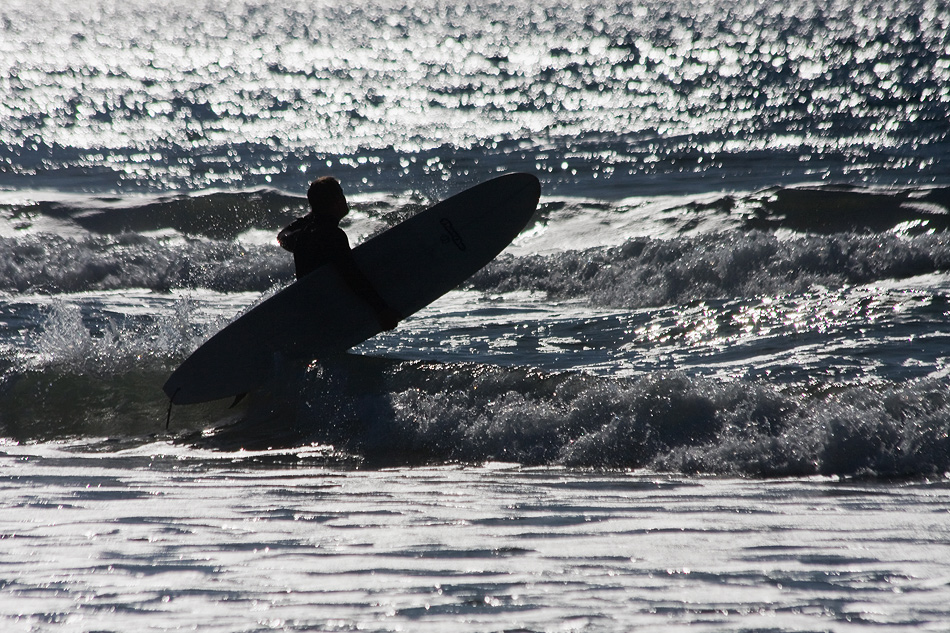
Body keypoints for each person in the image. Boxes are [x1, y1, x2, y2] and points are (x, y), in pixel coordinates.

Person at [278, 177, 400, 331]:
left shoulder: (304, 234)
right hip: (328, 312)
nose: (344, 200)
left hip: (311, 309)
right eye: (341, 195)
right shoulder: (332, 235)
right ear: (336, 201)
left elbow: (283, 236)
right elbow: (351, 275)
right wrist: (381, 309)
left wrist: (314, 214)